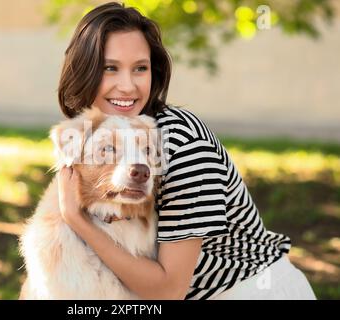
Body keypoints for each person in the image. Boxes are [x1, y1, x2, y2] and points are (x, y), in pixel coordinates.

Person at [55, 2, 316, 300]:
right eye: (110, 68)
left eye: (140, 68)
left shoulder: (182, 144)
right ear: (85, 70)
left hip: (248, 291)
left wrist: (76, 219)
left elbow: (168, 291)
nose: (127, 86)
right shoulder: (93, 135)